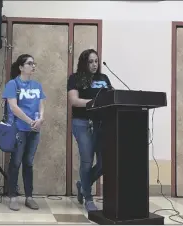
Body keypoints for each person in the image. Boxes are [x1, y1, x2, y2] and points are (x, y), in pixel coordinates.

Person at [67, 49, 112, 212]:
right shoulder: (75, 78)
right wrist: (96, 102)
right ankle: (88, 197)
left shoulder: (104, 78)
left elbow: (112, 98)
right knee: (87, 162)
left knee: (104, 163)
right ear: (84, 63)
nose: (94, 65)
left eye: (96, 61)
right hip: (82, 123)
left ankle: (82, 184)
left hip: (102, 124)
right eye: (90, 62)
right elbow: (74, 101)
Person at [2, 54, 46, 211]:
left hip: (34, 130)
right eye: (29, 63)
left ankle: (29, 197)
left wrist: (41, 118)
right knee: (15, 162)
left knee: (28, 163)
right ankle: (13, 196)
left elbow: (41, 105)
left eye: (34, 63)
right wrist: (30, 121)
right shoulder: (13, 84)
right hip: (19, 129)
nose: (33, 66)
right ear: (21, 67)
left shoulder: (37, 85)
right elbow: (13, 107)